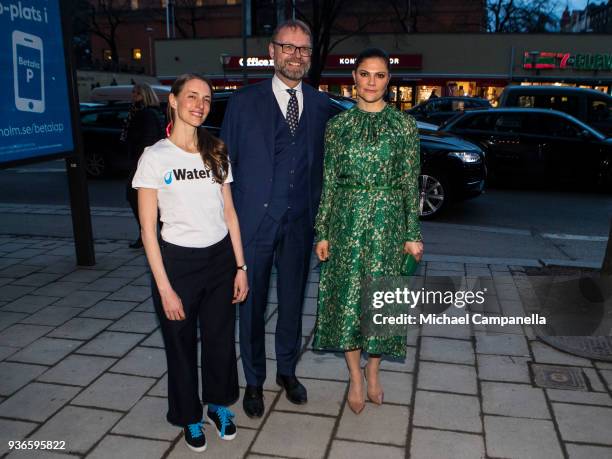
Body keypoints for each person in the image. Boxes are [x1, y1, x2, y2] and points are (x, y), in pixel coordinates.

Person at [220, 19, 330, 418]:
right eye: (288, 47)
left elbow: (328, 170)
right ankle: (253, 380)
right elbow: (225, 167)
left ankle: (287, 370)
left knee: (292, 303)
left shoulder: (321, 105)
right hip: (254, 225)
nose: (295, 55)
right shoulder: (243, 102)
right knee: (249, 307)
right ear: (272, 51)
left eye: (303, 49)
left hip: (301, 224)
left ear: (310, 55)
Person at [132, 74, 248, 452]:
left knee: (218, 340)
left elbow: (230, 213)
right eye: (192, 96)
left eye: (207, 99)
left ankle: (218, 405)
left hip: (220, 260)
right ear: (173, 101)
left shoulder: (215, 150)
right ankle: (188, 416)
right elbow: (148, 230)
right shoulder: (154, 157)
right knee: (180, 345)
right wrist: (165, 288)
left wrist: (241, 267)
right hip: (178, 263)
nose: (200, 104)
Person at [313, 48, 424, 414]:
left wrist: (413, 233)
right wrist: (323, 231)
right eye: (364, 74)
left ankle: (373, 370)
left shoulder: (405, 126)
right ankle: (355, 376)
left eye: (379, 75)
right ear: (354, 79)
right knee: (347, 298)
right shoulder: (337, 127)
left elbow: (411, 183)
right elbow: (328, 182)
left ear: (388, 80)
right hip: (345, 219)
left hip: (388, 222)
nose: (371, 82)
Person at [122, 82, 165, 248]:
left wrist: (140, 162)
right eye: (133, 92)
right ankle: (151, 235)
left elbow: (147, 139)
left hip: (143, 162)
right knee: (152, 200)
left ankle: (148, 234)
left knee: (135, 197)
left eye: (136, 93)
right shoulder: (153, 112)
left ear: (144, 95)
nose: (133, 96)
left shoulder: (145, 114)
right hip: (149, 161)